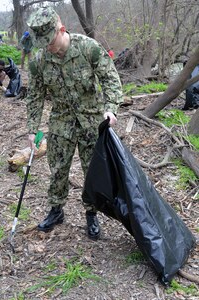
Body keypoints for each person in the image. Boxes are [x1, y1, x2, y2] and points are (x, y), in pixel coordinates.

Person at [26, 7, 123, 239]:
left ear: (61, 29)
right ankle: (56, 210)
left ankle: (91, 213)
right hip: (60, 122)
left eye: (49, 40)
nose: (47, 46)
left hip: (91, 120)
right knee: (58, 169)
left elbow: (110, 78)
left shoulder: (87, 48)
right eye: (42, 42)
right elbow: (35, 96)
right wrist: (32, 129)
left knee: (92, 169)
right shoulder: (39, 61)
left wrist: (111, 108)